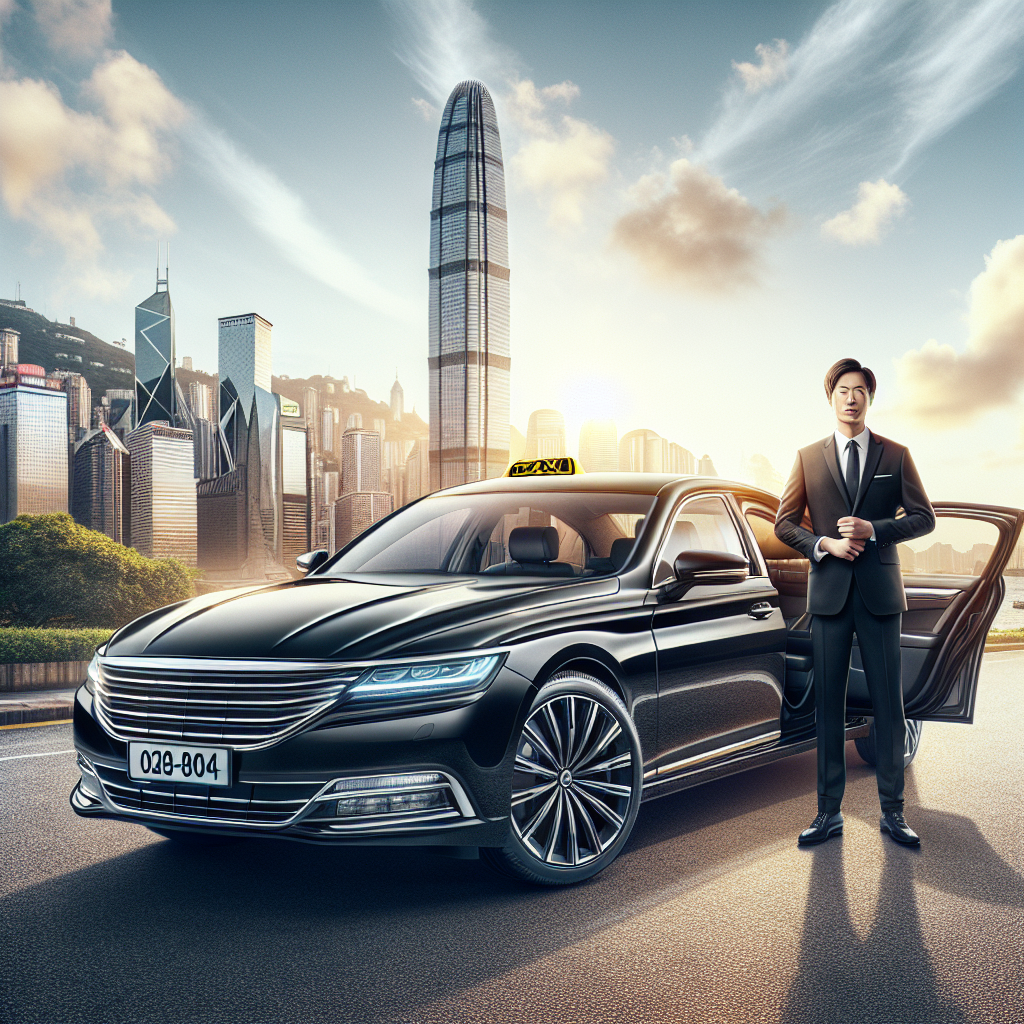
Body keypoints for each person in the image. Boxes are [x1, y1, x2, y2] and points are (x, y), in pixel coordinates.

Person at [775, 358, 934, 846]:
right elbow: (784, 523)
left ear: (870, 396)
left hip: (880, 595)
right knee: (828, 707)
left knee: (890, 705)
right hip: (830, 596)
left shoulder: (896, 455)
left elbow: (924, 518)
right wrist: (825, 545)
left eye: (859, 389)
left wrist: (874, 531)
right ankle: (828, 814)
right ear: (831, 398)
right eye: (843, 390)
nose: (851, 397)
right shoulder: (807, 457)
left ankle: (894, 812)